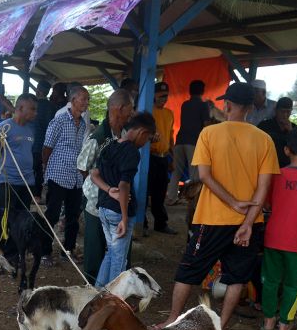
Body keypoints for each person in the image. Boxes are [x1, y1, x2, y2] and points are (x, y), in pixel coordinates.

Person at [157, 82, 280, 330]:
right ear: (249, 107)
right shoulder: (264, 140)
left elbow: (204, 176)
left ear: (228, 105)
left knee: (188, 271)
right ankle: (220, 327)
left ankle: (172, 319)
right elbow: (263, 187)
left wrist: (232, 202)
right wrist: (247, 222)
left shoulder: (209, 134)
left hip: (212, 218)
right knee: (237, 277)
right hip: (249, 221)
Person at [90, 112, 157, 286]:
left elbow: (94, 174)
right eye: (148, 138)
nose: (145, 143)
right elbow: (124, 185)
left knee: (110, 254)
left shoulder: (110, 145)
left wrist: (108, 190)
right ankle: (112, 302)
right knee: (119, 261)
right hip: (119, 212)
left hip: (104, 208)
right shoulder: (132, 152)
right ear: (142, 132)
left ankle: (98, 293)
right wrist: (125, 218)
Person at [78, 88, 135, 284]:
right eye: (130, 108)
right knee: (96, 248)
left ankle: (114, 288)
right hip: (97, 202)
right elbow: (84, 167)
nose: (132, 113)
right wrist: (102, 189)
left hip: (116, 201)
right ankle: (92, 289)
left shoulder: (124, 132)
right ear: (119, 108)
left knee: (116, 248)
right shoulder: (98, 137)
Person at [259, 127, 297, 330]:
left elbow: (266, 203)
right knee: (292, 285)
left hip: (273, 237)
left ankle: (268, 321)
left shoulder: (276, 175)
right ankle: (284, 325)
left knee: (270, 280)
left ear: (286, 150)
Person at [41, 86, 90, 266]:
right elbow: (47, 148)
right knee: (52, 215)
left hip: (75, 177)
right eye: (83, 98)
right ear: (73, 100)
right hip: (58, 174)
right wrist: (46, 170)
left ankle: (67, 252)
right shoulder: (59, 121)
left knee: (72, 217)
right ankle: (45, 252)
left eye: (87, 99)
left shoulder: (83, 124)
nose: (86, 102)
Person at [0, 94, 38, 257]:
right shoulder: (3, 128)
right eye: (32, 109)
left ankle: (13, 254)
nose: (35, 113)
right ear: (20, 108)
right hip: (7, 182)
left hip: (26, 183)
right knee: (4, 219)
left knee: (21, 220)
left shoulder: (30, 129)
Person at [167, 80, 211, 204]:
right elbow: (206, 125)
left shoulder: (185, 104)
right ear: (202, 91)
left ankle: (171, 198)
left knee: (176, 171)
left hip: (180, 140)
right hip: (193, 142)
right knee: (194, 172)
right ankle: (192, 198)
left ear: (190, 91)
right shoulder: (203, 105)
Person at [145, 82, 177, 235]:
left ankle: (160, 223)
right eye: (161, 96)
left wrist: (173, 157)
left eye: (166, 96)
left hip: (164, 157)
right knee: (144, 191)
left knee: (160, 191)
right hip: (150, 157)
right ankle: (142, 223)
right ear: (154, 95)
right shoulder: (148, 112)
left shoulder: (169, 113)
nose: (164, 99)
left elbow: (170, 136)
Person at [258, 97, 296, 168]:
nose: (285, 115)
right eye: (282, 111)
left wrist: (291, 131)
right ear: (276, 110)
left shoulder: (294, 128)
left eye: (288, 112)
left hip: (287, 168)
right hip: (268, 166)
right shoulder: (265, 126)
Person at [32, 79, 53, 199]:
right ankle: (37, 195)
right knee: (40, 170)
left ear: (38, 90)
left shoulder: (35, 105)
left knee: (32, 169)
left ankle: (31, 194)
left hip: (35, 142)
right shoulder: (51, 106)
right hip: (47, 143)